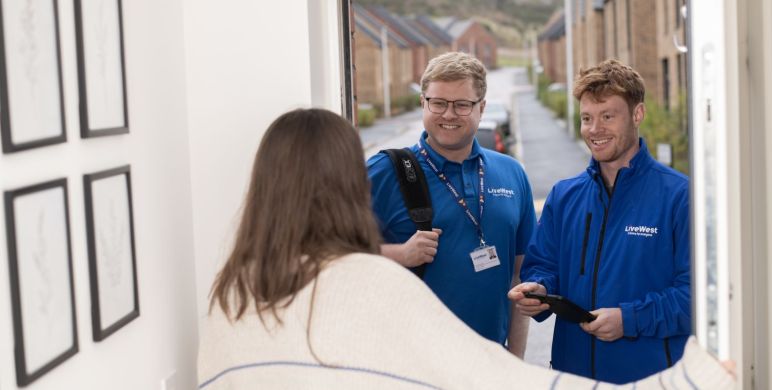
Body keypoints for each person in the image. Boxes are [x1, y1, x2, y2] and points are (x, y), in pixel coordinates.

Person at [197, 108, 733, 389]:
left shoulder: (231, 294)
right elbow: (496, 381)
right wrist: (700, 378)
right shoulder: (365, 282)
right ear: (348, 182)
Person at [508, 58, 692, 384]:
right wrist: (541, 290)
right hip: (573, 377)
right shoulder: (564, 196)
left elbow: (694, 298)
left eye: (608, 116)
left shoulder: (678, 195)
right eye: (587, 118)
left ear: (638, 114)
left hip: (650, 379)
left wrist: (629, 319)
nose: (595, 130)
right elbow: (542, 266)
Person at [366, 52, 535, 356]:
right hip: (413, 366)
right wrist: (400, 253)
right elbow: (328, 252)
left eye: (461, 105)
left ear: (481, 108)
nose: (448, 114)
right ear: (423, 103)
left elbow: (519, 280)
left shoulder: (512, 173)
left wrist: (516, 361)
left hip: (491, 364)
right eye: (439, 103)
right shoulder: (385, 171)